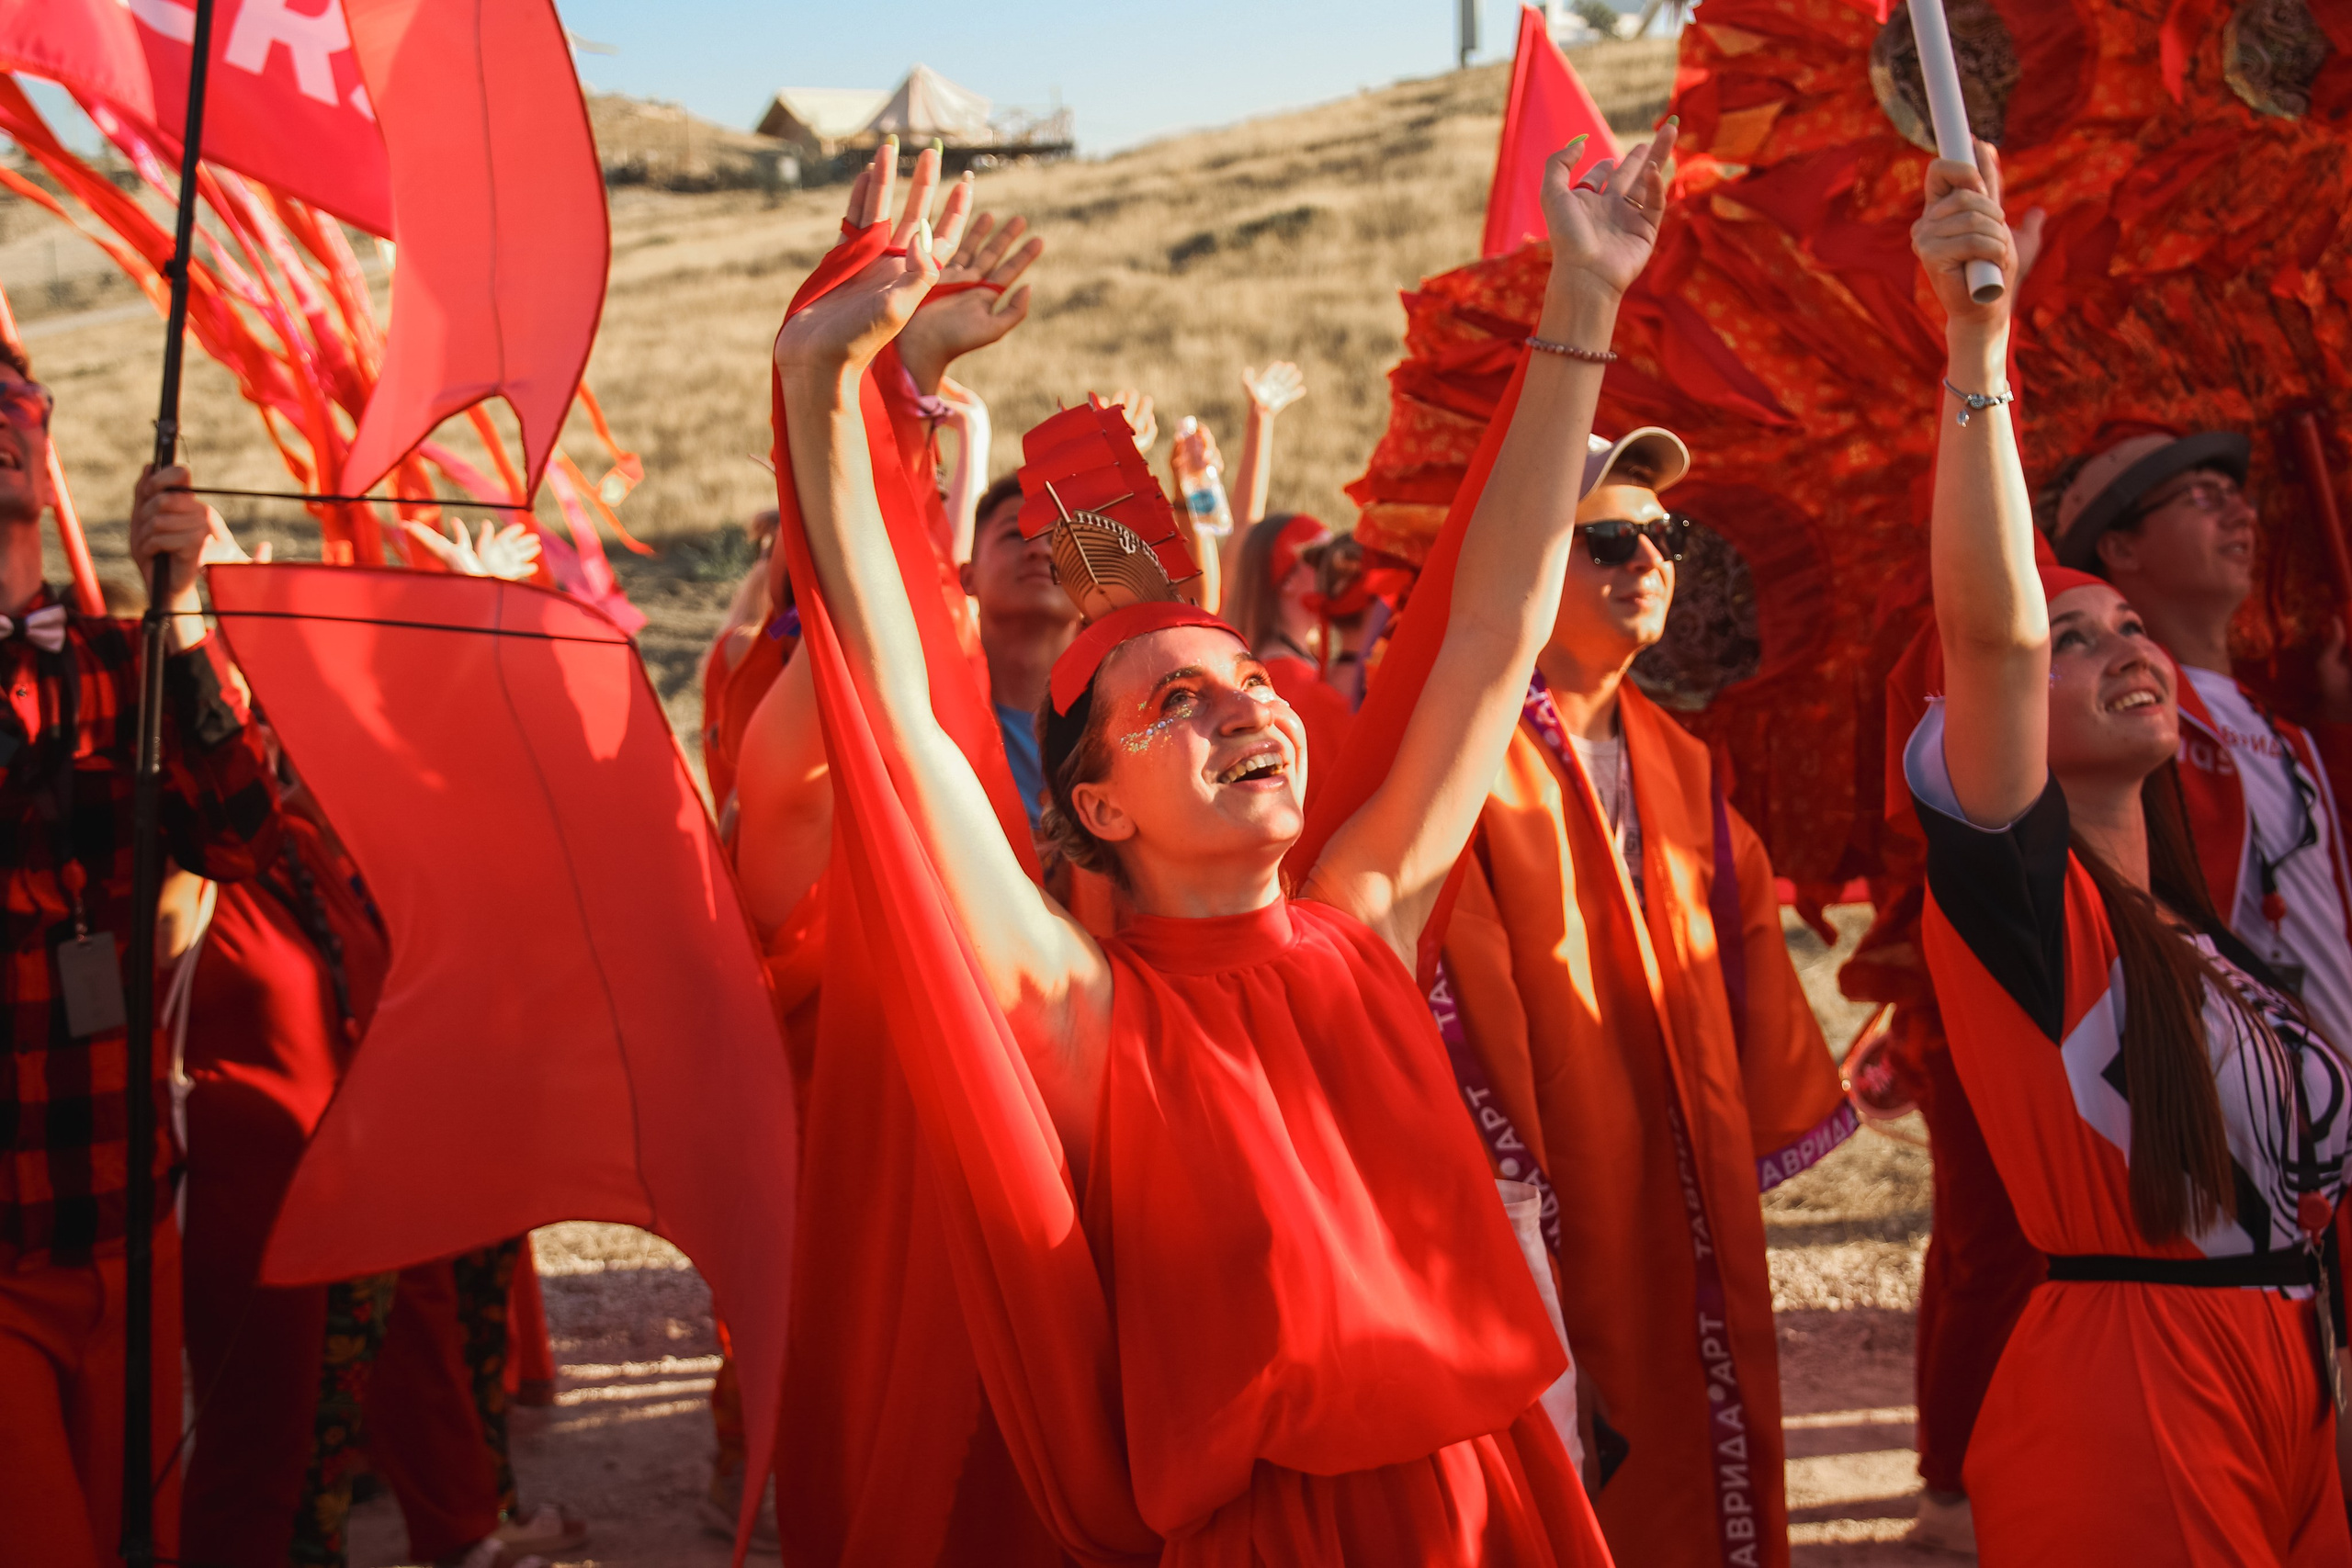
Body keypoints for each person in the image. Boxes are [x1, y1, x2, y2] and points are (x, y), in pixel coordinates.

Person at [770, 128, 1676, 1563]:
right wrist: (826, 382)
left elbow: (1494, 631)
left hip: (1491, 1504)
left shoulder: (1363, 915)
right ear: (1103, 807)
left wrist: (1586, 304)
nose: (1247, 705)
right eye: (1174, 701)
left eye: (1250, 679)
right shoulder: (1084, 1015)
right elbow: (903, 728)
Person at [1909, 142, 2349, 1562]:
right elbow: (1991, 629)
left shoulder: (2206, 938)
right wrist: (1981, 346)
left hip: (2293, 1373)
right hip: (2139, 1389)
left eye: (2129, 630)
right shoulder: (2028, 912)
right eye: (2074, 638)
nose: (2121, 650)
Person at [1438, 424, 1849, 1568]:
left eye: (1662, 538)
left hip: (1682, 1170)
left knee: (1688, 1433)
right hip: (1542, 1189)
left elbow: (1745, 950)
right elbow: (1446, 987)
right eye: (1608, 539)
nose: (1647, 561)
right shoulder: (1458, 753)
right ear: (1522, 560)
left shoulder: (1681, 760)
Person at [0, 343, 284, 1568]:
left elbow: (241, 832)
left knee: (140, 1541)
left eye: (14, 400)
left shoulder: (127, 661)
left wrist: (182, 607)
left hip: (129, 1218)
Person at [2042, 428, 2352, 1052]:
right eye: (2205, 496)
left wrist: (2339, 717)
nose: (2244, 512)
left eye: (2239, 495)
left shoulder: (2289, 731)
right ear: (2121, 546)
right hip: (2256, 1114)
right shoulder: (2110, 732)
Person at [962, 471, 1075, 831]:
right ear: (967, 577)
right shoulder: (925, 714)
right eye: (1015, 533)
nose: (1040, 549)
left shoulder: (1120, 724)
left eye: (1060, 538)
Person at [1225, 513, 1357, 803]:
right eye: (1321, 559)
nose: (1338, 571)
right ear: (1287, 581)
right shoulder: (1286, 678)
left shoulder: (1288, 664)